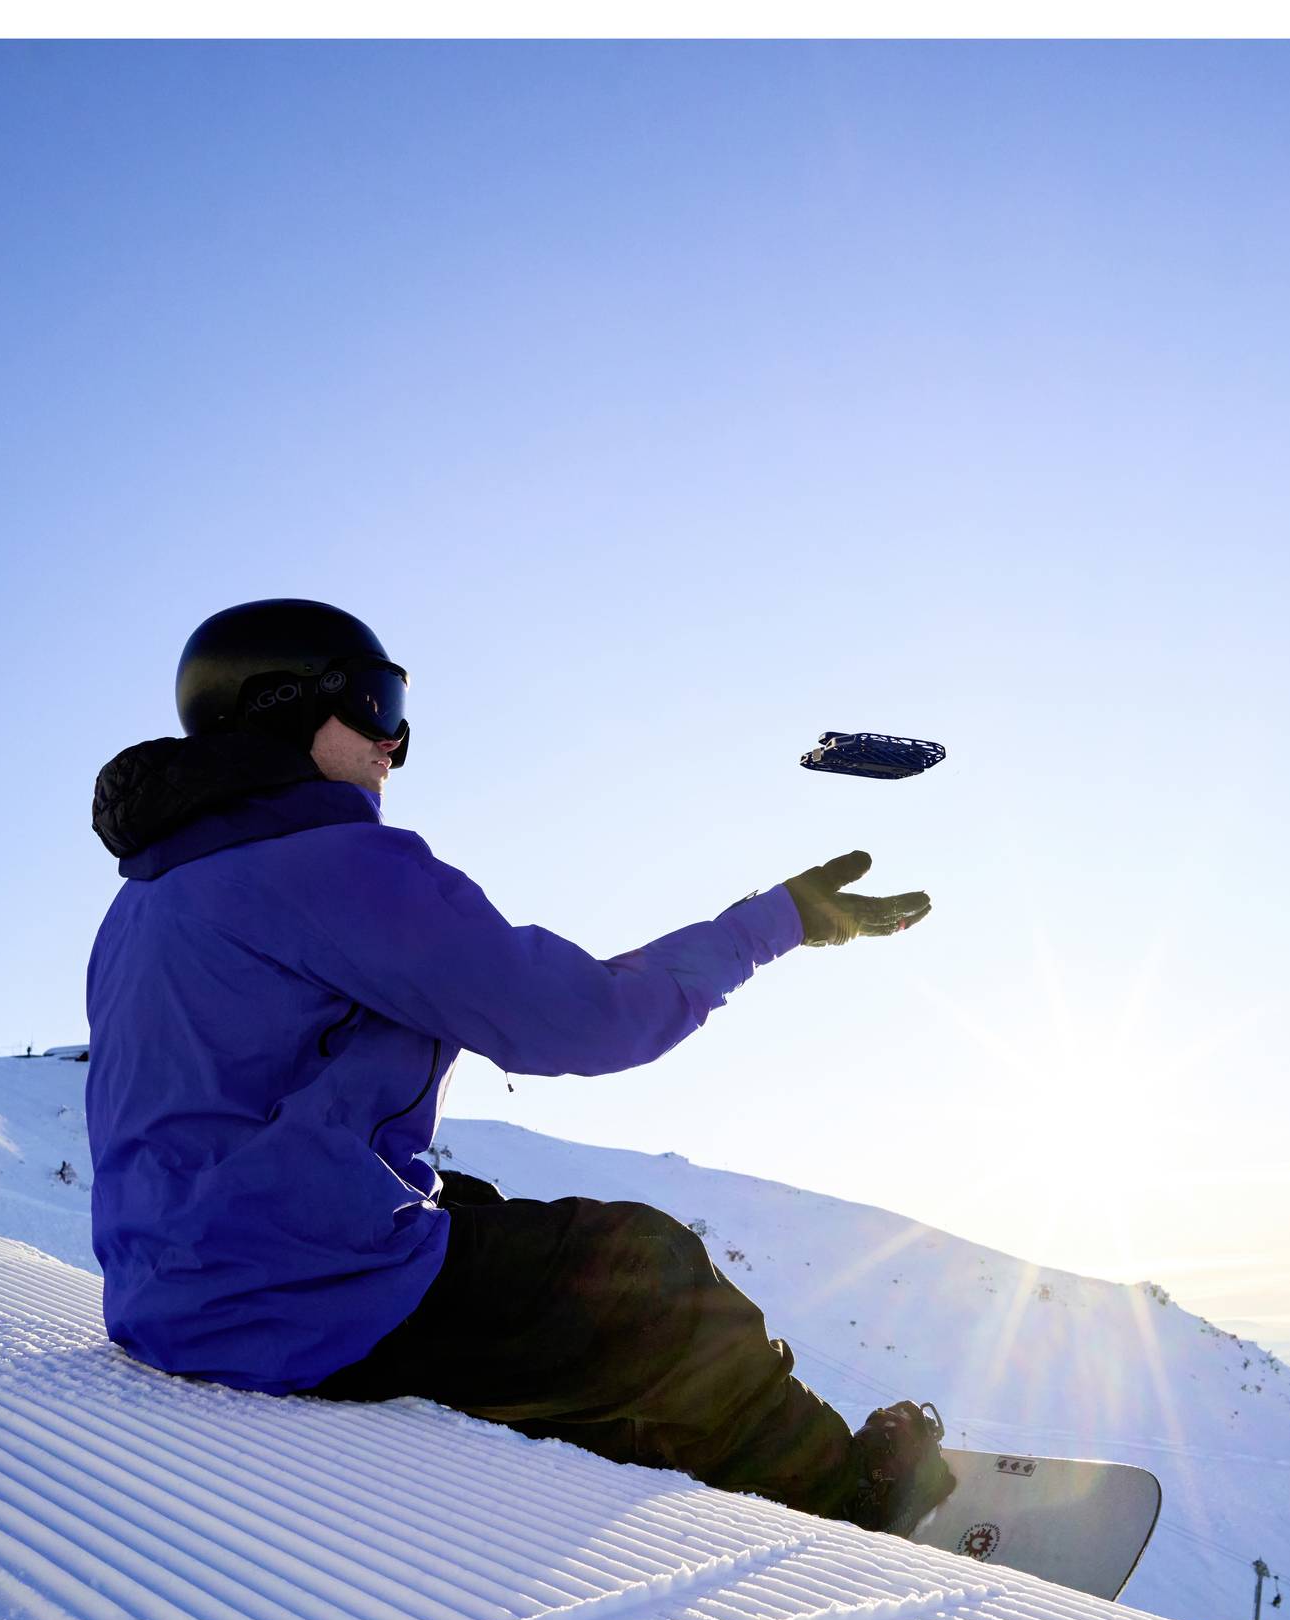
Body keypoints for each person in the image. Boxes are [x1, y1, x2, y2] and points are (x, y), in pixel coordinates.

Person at [86, 599, 956, 1533]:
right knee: (644, 1273)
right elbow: (585, 1020)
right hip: (292, 1301)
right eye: (378, 704)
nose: (397, 743)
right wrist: (777, 920)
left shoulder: (147, 902)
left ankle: (687, 1438)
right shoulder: (333, 866)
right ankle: (852, 1499)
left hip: (167, 1293)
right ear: (281, 708)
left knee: (473, 1212)